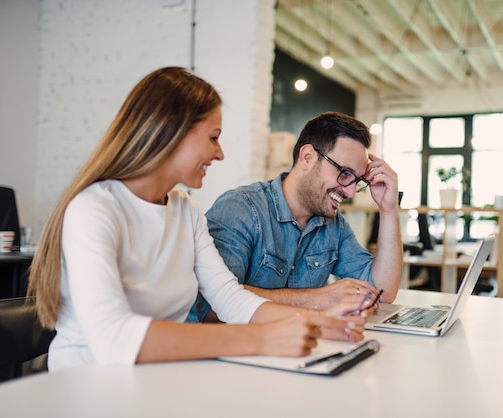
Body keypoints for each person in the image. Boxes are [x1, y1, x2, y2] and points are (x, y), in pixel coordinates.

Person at [26, 67, 369, 372]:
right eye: (213, 137)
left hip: (157, 382)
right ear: (171, 131)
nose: (219, 153)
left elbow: (230, 299)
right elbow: (114, 338)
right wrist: (263, 339)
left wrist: (319, 324)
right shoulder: (93, 209)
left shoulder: (185, 210)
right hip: (85, 391)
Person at [193, 111, 402, 323]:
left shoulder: (334, 225)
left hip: (295, 348)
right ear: (307, 157)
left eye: (357, 181)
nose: (349, 192)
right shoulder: (241, 209)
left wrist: (388, 209)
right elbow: (212, 310)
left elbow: (381, 293)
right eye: (345, 173)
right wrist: (319, 299)